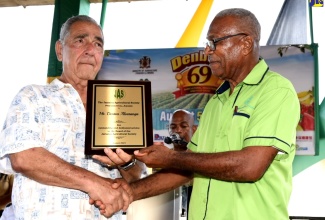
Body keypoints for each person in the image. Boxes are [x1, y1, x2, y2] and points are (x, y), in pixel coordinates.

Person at [93, 8, 300, 220]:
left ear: (245, 44)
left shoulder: (275, 91)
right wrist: (129, 192)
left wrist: (172, 157)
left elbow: (250, 166)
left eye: (214, 42)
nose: (207, 51)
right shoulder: (216, 102)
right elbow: (188, 167)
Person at [0, 15, 137, 220]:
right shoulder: (32, 96)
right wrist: (95, 183)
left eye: (98, 43)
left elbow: (137, 177)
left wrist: (126, 164)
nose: (90, 49)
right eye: (80, 40)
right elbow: (23, 157)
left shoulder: (118, 107)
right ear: (59, 50)